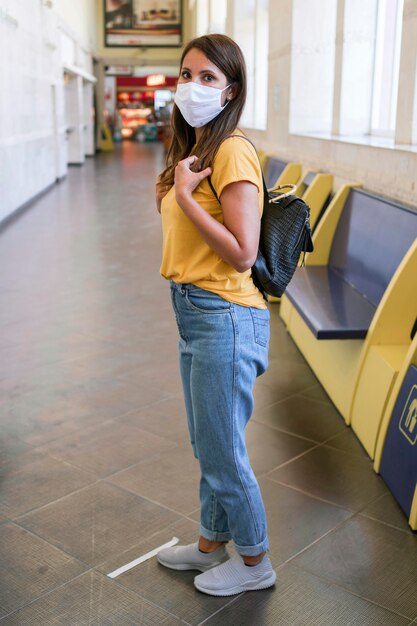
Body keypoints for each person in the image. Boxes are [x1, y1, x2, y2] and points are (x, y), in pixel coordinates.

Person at [155, 33, 276, 597]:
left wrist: (183, 199)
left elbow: (244, 251)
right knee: (209, 441)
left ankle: (255, 563)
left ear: (231, 90)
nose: (192, 86)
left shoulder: (232, 151)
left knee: (224, 448)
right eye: (185, 74)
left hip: (226, 314)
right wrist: (180, 186)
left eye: (207, 77)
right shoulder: (195, 151)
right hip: (195, 312)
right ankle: (211, 545)